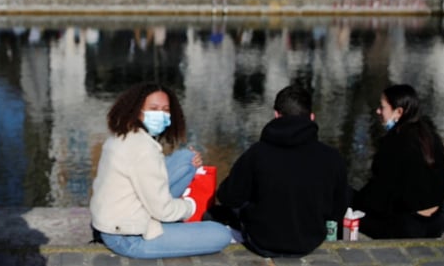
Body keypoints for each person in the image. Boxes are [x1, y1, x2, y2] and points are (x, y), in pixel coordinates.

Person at [90, 83, 232, 259]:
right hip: (129, 237)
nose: (161, 114)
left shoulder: (123, 135)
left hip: (112, 222)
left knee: (186, 158)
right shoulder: (143, 149)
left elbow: (148, 172)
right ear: (136, 110)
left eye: (166, 109)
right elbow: (162, 211)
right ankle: (174, 224)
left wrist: (189, 166)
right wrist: (190, 206)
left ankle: (173, 219)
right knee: (221, 234)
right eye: (154, 108)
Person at [211, 86, 348, 257]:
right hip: (309, 241)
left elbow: (228, 197)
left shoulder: (257, 153)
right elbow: (338, 209)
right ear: (312, 117)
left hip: (262, 241)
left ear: (276, 115)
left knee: (218, 211)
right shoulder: (332, 158)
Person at [352, 84, 444, 238]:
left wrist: (356, 202)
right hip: (435, 221)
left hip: (408, 225)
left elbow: (381, 190)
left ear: (398, 112)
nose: (378, 111)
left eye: (382, 107)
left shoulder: (395, 142)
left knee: (347, 199)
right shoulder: (429, 135)